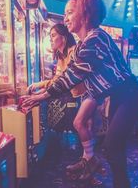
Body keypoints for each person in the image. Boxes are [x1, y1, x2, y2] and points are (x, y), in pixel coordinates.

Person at [22, 0, 138, 188]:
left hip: (131, 95)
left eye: (70, 12)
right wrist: (44, 92)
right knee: (112, 146)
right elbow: (74, 77)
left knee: (111, 145)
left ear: (85, 14)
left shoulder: (95, 39)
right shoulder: (83, 44)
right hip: (120, 96)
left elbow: (72, 76)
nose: (66, 18)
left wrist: (42, 96)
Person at [28, 23, 101, 179]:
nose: (51, 39)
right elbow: (57, 80)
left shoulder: (74, 52)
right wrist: (40, 87)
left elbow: (67, 79)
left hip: (91, 92)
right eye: (50, 36)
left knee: (83, 125)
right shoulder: (61, 56)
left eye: (53, 35)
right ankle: (87, 162)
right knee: (83, 126)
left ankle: (90, 164)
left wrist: (42, 94)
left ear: (64, 37)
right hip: (81, 94)